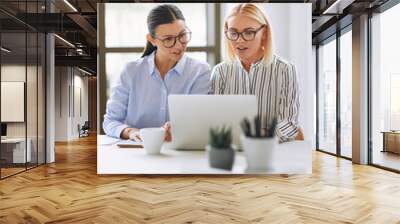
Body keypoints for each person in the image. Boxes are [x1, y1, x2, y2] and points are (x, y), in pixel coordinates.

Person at [103, 4, 211, 141]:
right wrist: (130, 132)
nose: (179, 45)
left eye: (182, 35)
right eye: (168, 39)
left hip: (179, 152)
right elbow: (111, 121)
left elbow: (199, 119)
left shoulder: (200, 71)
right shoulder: (131, 71)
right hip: (136, 153)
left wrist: (180, 128)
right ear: (152, 40)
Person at [210, 3, 304, 142]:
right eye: (233, 33)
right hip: (232, 149)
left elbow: (289, 123)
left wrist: (262, 135)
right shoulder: (220, 72)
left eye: (249, 32)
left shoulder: (285, 69)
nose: (239, 40)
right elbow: (213, 119)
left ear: (264, 33)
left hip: (272, 149)